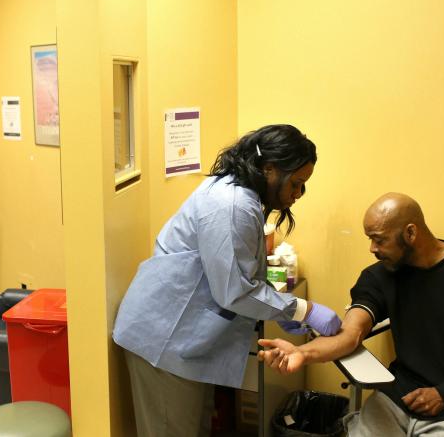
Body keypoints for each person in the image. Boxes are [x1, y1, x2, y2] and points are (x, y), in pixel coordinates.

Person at [112, 124, 343, 437]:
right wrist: (301, 309)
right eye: (296, 183)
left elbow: (236, 272)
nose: (298, 194)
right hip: (164, 341)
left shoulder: (239, 193)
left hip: (182, 336)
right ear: (269, 169)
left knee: (193, 427)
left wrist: (278, 309)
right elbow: (235, 292)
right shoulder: (231, 204)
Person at [258, 192, 444, 437]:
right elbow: (350, 335)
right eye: (370, 238)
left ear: (410, 233)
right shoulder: (380, 276)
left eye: (379, 239)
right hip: (398, 400)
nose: (372, 248)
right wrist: (301, 353)